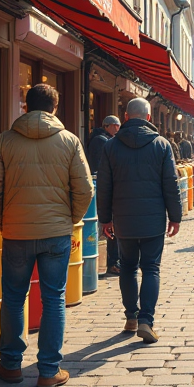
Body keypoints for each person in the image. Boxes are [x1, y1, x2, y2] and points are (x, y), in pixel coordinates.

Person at [0, 84, 93, 387]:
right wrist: (69, 220)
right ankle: (48, 370)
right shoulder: (69, 141)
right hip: (56, 232)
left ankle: (10, 365)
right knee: (54, 298)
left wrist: (4, 221)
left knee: (14, 297)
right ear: (54, 108)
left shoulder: (4, 141)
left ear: (25, 106)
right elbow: (84, 189)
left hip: (16, 232)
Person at [97, 98, 181, 344]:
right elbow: (171, 185)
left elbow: (104, 187)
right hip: (153, 218)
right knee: (151, 268)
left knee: (128, 267)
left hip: (123, 218)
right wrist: (175, 216)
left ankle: (131, 317)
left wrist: (105, 219)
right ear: (148, 118)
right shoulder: (162, 145)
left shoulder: (111, 147)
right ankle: (146, 320)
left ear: (125, 117)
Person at [87, 116, 122, 275]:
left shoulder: (99, 139)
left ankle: (110, 261)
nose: (118, 128)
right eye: (116, 125)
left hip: (100, 186)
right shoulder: (103, 141)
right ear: (108, 126)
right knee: (109, 226)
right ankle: (112, 262)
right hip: (104, 188)